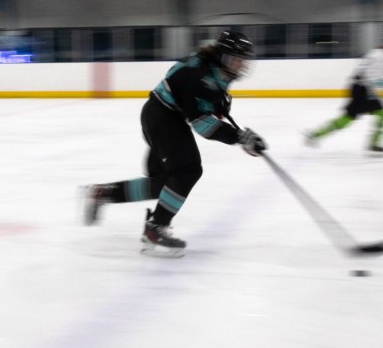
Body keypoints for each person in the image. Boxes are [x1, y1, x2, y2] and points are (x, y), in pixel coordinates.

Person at [82, 29, 267, 257]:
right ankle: (155, 229)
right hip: (163, 117)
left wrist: (233, 127)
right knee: (188, 171)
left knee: (164, 184)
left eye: (242, 61)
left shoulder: (214, 69)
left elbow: (207, 105)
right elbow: (202, 124)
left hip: (161, 116)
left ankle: (104, 193)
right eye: (236, 59)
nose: (240, 65)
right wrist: (239, 138)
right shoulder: (198, 74)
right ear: (223, 56)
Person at [304, 32, 383, 153]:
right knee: (349, 119)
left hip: (362, 88)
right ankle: (314, 135)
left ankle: (374, 144)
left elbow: (375, 76)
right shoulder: (382, 57)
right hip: (363, 90)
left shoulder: (378, 53)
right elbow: (373, 79)